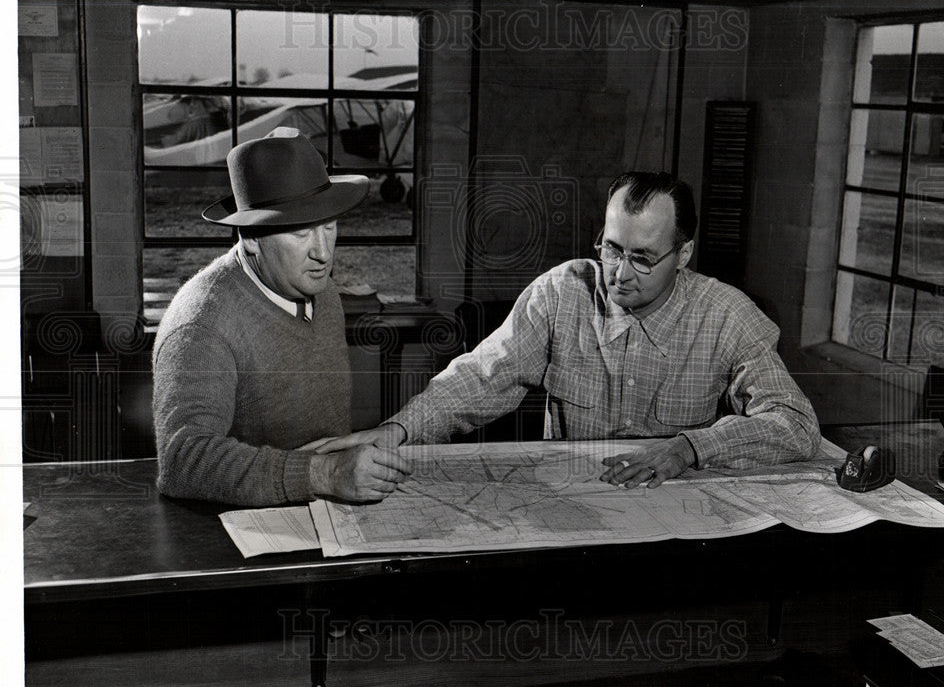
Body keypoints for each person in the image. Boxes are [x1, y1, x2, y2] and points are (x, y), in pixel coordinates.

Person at [314, 171, 820, 489]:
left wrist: (689, 448)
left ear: (683, 255)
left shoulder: (727, 314)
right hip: (577, 506)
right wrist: (397, 430)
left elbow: (795, 423)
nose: (620, 274)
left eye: (643, 258)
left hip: (677, 516)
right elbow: (482, 377)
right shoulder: (561, 293)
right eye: (612, 248)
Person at [152, 127, 411, 507]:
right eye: (301, 233)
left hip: (328, 520)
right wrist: (325, 474)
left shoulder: (323, 291)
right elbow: (183, 460)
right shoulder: (202, 323)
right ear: (251, 237)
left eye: (329, 226)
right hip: (240, 539)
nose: (323, 253)